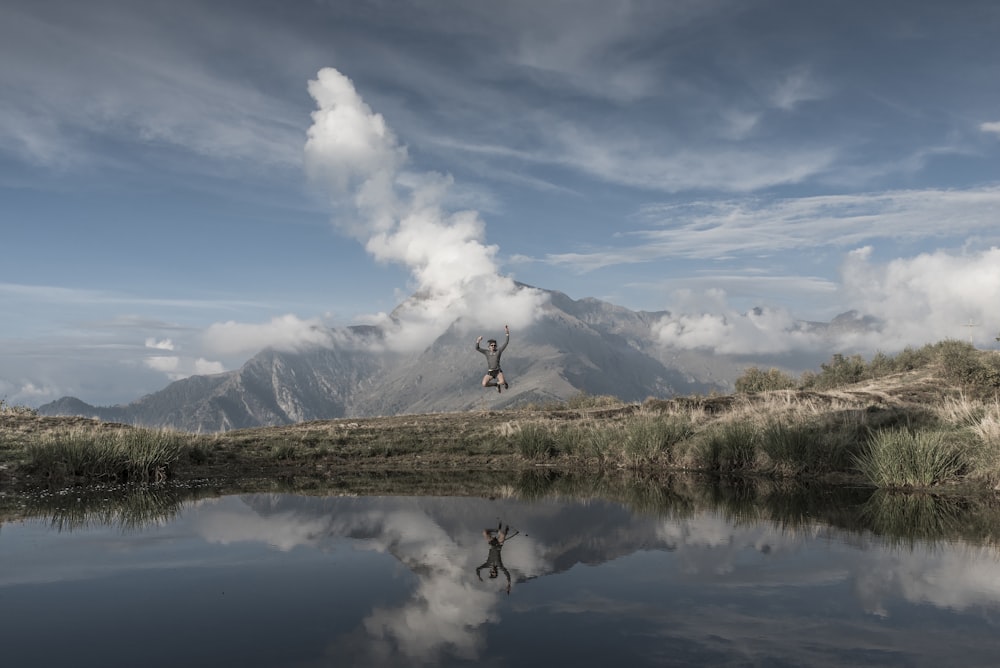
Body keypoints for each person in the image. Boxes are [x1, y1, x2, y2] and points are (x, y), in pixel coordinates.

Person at [476, 521, 511, 594]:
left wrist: (479, 576)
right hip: (499, 545)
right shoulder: (499, 565)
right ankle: (504, 529)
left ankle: (497, 530)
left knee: (485, 532)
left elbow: (477, 569)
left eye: (492, 572)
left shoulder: (487, 564)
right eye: (495, 572)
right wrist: (509, 584)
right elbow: (506, 573)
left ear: (490, 571)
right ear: (496, 571)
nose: (493, 571)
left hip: (492, 544)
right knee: (502, 534)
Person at [475, 325, 510, 393]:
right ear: (489, 346)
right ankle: (496, 385)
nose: (493, 346)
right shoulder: (486, 352)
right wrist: (478, 340)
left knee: (502, 381)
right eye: (492, 345)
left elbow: (506, 343)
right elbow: (477, 348)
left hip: (498, 371)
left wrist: (507, 333)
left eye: (494, 345)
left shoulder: (498, 351)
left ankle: (504, 383)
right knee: (484, 384)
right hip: (490, 372)